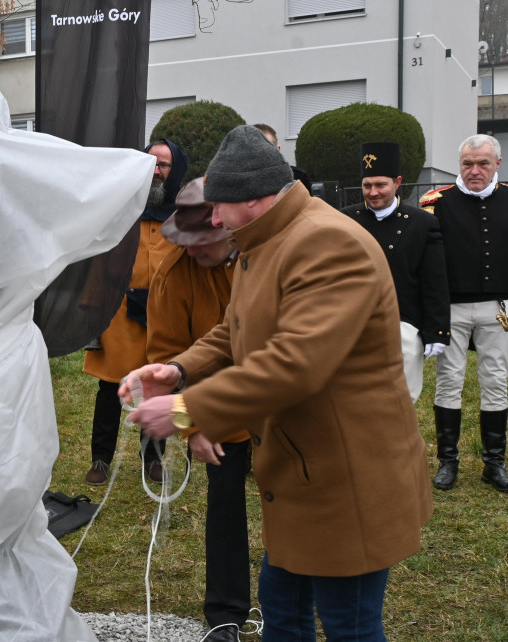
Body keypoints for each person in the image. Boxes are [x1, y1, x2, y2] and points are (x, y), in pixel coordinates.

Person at [124, 125, 432, 640]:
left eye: (221, 205)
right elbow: (235, 326)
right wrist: (180, 370)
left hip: (347, 480)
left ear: (259, 198)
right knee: (282, 613)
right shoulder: (262, 239)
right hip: (301, 476)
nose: (214, 218)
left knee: (349, 625)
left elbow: (294, 363)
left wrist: (184, 411)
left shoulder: (327, 243)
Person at [147, 177, 250, 642]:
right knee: (226, 506)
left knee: (294, 501)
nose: (192, 251)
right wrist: (191, 429)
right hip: (215, 413)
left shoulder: (264, 256)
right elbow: (160, 365)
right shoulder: (172, 276)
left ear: (229, 226)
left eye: (202, 243)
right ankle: (227, 613)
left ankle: (295, 598)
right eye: (184, 242)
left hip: (284, 400)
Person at [419, 134, 508, 492]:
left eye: (482, 163)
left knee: (495, 382)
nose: (474, 171)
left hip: (498, 307)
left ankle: (493, 464)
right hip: (451, 307)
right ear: (458, 165)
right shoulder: (437, 203)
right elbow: (427, 263)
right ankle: (447, 462)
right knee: (449, 381)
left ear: (498, 163)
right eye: (467, 164)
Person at [83, 138, 186, 485]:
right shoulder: (121, 208)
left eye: (164, 165)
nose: (156, 171)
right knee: (111, 386)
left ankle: (152, 458)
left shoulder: (182, 217)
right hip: (119, 311)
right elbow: (98, 254)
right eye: (151, 163)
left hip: (161, 316)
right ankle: (100, 459)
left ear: (174, 171)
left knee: (155, 386)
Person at [341, 141, 450, 401]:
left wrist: (437, 331)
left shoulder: (422, 223)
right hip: (354, 326)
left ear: (397, 182)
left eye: (381, 185)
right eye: (367, 185)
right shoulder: (344, 219)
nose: (373, 192)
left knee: (401, 401)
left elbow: (434, 281)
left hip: (405, 324)